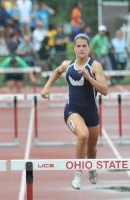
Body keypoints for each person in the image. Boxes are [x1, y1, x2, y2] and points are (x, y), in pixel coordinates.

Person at [40, 33, 108, 190]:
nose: (81, 48)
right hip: (72, 110)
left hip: (91, 112)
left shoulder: (95, 66)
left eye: (84, 46)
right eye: (78, 46)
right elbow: (57, 71)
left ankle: (91, 167)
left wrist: (90, 79)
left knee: (92, 149)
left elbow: (105, 90)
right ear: (74, 48)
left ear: (89, 48)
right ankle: (78, 173)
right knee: (82, 135)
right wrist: (47, 86)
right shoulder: (68, 64)